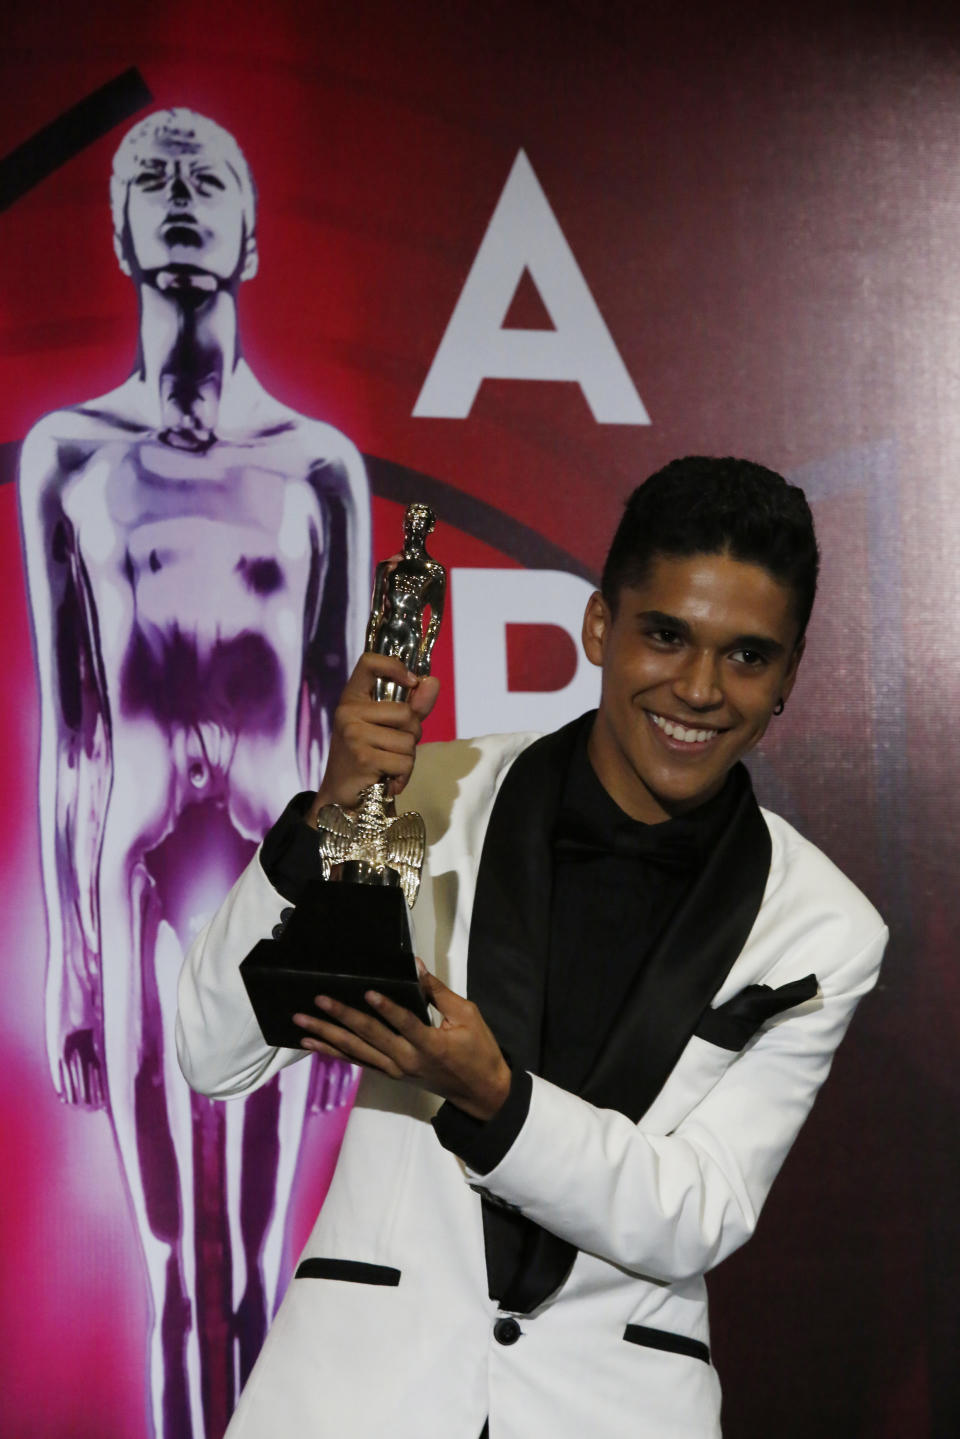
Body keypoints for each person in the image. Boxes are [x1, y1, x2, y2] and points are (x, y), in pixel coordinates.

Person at [177, 456, 887, 1438]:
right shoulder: (434, 796)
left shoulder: (825, 924)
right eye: (667, 634)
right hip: (357, 1396)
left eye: (746, 655)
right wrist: (317, 826)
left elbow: (698, 1211)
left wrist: (496, 1099)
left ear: (788, 677)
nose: (699, 687)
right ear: (601, 626)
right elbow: (214, 1053)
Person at [17, 109, 369, 1438]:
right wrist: (70, 957)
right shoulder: (68, 460)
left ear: (250, 232)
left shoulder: (319, 467)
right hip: (133, 865)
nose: (176, 196)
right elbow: (78, 728)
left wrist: (360, 932)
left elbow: (346, 730)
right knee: (177, 1263)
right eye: (148, 180)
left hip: (283, 876)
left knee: (260, 1260)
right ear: (116, 229)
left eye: (205, 176)